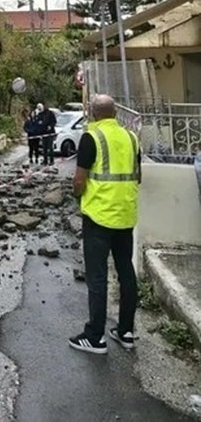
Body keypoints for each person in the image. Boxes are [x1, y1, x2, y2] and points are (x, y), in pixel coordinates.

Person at [69, 94, 141, 355]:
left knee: (97, 276)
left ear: (93, 113)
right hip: (126, 215)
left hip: (99, 216)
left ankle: (95, 337)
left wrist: (78, 197)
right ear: (115, 113)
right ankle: (126, 331)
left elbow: (79, 180)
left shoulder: (92, 137)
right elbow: (138, 176)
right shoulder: (131, 138)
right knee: (126, 272)